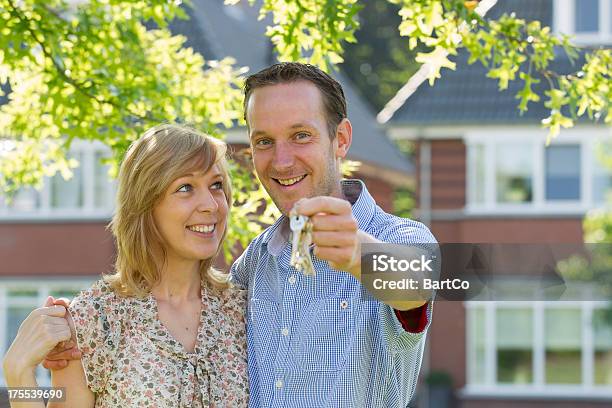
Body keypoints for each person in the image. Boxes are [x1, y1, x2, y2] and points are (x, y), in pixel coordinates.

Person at [230, 62, 436, 407]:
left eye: (300, 136)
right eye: (264, 141)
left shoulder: (403, 237)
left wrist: (357, 252)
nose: (281, 162)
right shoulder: (256, 258)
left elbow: (416, 282)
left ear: (340, 140)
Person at [2, 124, 249, 407]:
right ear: (145, 203)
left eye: (216, 185)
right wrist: (18, 375)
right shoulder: (96, 319)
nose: (211, 204)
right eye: (185, 187)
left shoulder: (245, 312)